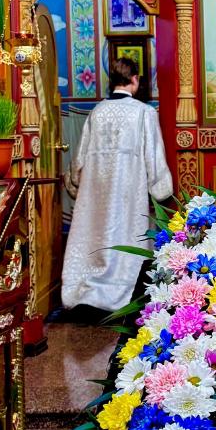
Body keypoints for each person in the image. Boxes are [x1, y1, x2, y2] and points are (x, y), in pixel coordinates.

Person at [61, 57, 173, 312]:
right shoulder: (143, 112)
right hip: (128, 192)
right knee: (126, 236)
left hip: (96, 192)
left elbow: (79, 159)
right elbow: (153, 157)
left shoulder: (97, 112)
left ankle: (88, 291)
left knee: (96, 235)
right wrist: (160, 187)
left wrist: (77, 183)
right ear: (134, 79)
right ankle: (121, 294)